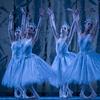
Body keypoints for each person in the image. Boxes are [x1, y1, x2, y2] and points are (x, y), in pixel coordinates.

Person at [68, 11, 99, 98]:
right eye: (88, 24)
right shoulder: (79, 33)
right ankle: (85, 92)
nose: (89, 25)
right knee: (82, 75)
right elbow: (77, 24)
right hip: (80, 56)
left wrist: (96, 19)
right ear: (85, 25)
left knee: (84, 75)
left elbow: (96, 25)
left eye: (91, 24)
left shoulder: (91, 35)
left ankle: (87, 92)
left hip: (87, 57)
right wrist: (75, 16)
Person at [47, 8, 78, 98]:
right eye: (62, 28)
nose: (62, 29)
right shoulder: (57, 38)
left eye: (64, 28)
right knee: (59, 75)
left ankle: (65, 90)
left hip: (66, 59)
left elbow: (72, 30)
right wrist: (51, 17)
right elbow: (53, 27)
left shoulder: (67, 39)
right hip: (58, 59)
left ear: (67, 32)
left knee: (65, 74)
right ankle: (64, 90)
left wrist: (75, 18)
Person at [2, 12, 23, 98]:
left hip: (20, 61)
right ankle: (17, 92)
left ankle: (20, 92)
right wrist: (10, 20)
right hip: (14, 61)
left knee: (19, 77)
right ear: (15, 33)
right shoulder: (12, 41)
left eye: (19, 32)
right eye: (16, 32)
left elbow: (23, 27)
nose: (17, 33)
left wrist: (24, 17)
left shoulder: (22, 42)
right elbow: (9, 30)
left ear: (20, 33)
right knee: (14, 77)